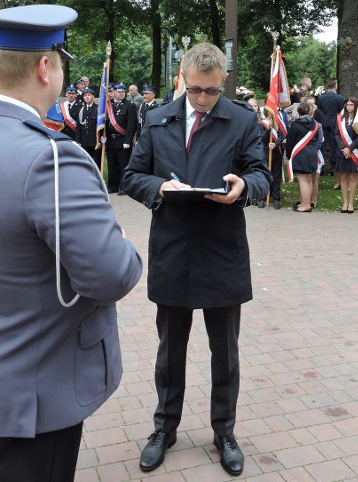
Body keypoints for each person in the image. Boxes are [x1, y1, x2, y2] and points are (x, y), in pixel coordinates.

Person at [0, 4, 143, 482]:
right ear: (45, 68)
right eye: (60, 61)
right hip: (41, 383)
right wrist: (118, 241)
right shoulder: (52, 159)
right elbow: (112, 275)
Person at [120, 42, 270, 477]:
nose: (203, 99)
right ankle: (164, 428)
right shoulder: (158, 118)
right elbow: (132, 175)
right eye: (196, 89)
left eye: (211, 91)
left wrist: (245, 185)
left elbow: (261, 172)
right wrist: (159, 189)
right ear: (182, 77)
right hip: (173, 247)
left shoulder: (240, 120)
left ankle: (224, 431)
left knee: (225, 352)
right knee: (170, 350)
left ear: (223, 82)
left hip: (221, 249)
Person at [286, 102, 323, 212]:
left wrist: (289, 156)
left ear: (299, 112)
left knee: (302, 180)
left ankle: (306, 205)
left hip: (301, 154)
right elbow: (318, 140)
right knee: (309, 179)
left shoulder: (296, 125)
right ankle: (306, 202)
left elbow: (290, 142)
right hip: (312, 153)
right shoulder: (315, 124)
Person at [104, 83, 136, 193]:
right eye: (119, 92)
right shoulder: (109, 105)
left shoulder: (129, 105)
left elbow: (132, 125)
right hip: (110, 140)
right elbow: (105, 123)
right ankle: (113, 185)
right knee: (112, 165)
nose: (121, 94)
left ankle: (124, 186)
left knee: (123, 164)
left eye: (123, 92)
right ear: (113, 92)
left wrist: (128, 141)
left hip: (122, 140)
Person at [332, 97, 358, 213]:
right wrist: (343, 148)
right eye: (347, 105)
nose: (349, 107)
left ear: (355, 106)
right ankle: (344, 202)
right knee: (343, 177)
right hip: (342, 151)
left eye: (351, 105)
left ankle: (351, 203)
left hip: (354, 152)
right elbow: (336, 134)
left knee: (353, 177)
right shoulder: (340, 118)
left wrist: (350, 149)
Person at [315, 79, 345, 173]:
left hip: (323, 122)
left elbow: (319, 110)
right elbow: (341, 111)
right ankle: (334, 168)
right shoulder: (340, 98)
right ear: (335, 86)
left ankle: (322, 167)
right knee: (334, 145)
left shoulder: (321, 98)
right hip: (335, 123)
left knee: (322, 144)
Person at [74, 88, 100, 167]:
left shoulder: (98, 109)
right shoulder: (81, 110)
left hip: (95, 141)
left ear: (93, 97)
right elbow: (78, 127)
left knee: (96, 163)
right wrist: (78, 141)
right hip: (84, 141)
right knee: (85, 163)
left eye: (89, 95)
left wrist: (100, 141)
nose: (87, 97)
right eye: (85, 95)